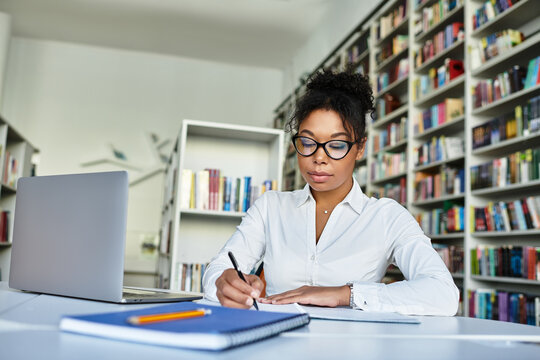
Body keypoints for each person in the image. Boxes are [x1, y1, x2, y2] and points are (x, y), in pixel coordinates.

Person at [202, 69, 459, 316]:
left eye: (336, 145)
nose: (319, 158)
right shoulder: (271, 207)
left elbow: (443, 294)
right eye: (307, 142)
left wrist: (344, 294)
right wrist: (225, 283)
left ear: (360, 148)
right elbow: (218, 270)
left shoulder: (386, 217)